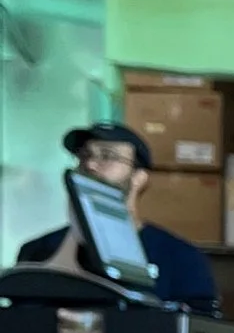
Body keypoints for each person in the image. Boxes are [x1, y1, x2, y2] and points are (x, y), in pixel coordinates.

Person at [16, 122, 220, 309]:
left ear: (139, 178)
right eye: (84, 156)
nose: (90, 165)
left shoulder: (181, 258)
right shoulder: (38, 251)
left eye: (107, 156)